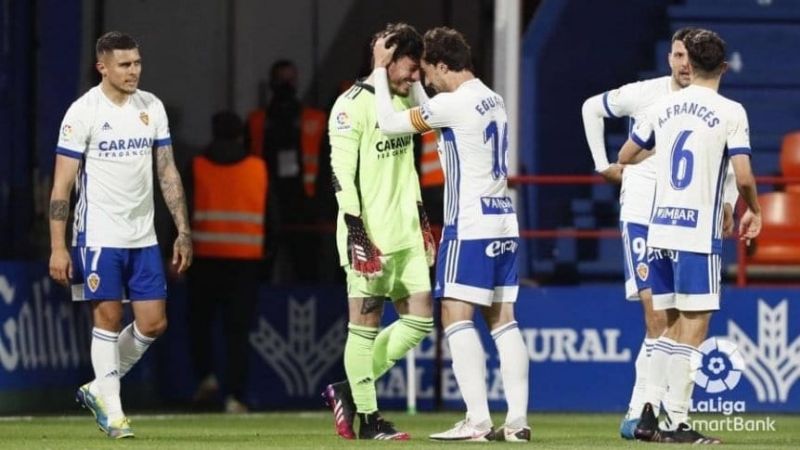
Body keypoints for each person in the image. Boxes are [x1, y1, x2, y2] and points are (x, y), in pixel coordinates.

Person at [372, 27, 530, 442]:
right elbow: (437, 114)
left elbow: (389, 123)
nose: (423, 80)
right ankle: (517, 422)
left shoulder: (453, 105)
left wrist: (377, 70)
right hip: (503, 222)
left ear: (443, 66)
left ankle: (477, 420)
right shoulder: (491, 98)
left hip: (470, 227)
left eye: (428, 71)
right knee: (504, 322)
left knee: (455, 317)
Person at [580, 27, 733, 439]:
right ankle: (644, 413)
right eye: (677, 55)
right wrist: (602, 165)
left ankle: (651, 415)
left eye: (689, 57)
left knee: (679, 320)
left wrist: (728, 200)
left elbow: (725, 158)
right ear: (669, 58)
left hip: (680, 218)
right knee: (658, 318)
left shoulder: (708, 104)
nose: (684, 64)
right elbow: (591, 108)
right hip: (643, 216)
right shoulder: (645, 94)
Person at [618, 28, 761, 444]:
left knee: (667, 328)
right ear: (723, 66)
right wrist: (753, 206)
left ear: (689, 64)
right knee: (694, 330)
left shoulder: (663, 107)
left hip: (659, 230)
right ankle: (675, 421)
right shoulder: (730, 110)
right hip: (697, 234)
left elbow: (626, 156)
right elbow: (744, 174)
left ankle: (647, 413)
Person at [48, 31, 192, 439]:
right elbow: (62, 186)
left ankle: (99, 388)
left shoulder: (152, 107)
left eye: (138, 63)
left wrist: (182, 229)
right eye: (125, 65)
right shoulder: (83, 112)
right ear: (103, 67)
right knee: (108, 317)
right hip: (97, 234)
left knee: (154, 323)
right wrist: (58, 246)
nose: (134, 71)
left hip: (143, 235)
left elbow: (167, 170)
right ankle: (113, 411)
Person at [321, 23, 436, 441]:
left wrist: (421, 219)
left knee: (421, 321)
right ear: (385, 61)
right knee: (364, 325)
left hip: (406, 231)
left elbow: (409, 166)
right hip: (368, 234)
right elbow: (339, 174)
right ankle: (369, 419)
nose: (415, 77)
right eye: (409, 68)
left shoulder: (400, 103)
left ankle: (347, 389)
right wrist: (355, 230)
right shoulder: (350, 106)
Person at [187, 111, 271, 414]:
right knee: (237, 333)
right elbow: (271, 220)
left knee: (200, 326)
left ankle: (206, 378)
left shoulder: (196, 166)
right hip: (244, 263)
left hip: (204, 260)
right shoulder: (258, 168)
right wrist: (267, 260)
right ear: (240, 135)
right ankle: (235, 395)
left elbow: (180, 212)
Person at [246, 60, 326, 283]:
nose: (286, 85)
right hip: (266, 202)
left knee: (306, 266)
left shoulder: (316, 119)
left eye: (290, 79)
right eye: (281, 79)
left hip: (303, 203)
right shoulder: (256, 120)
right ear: (272, 83)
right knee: (262, 268)